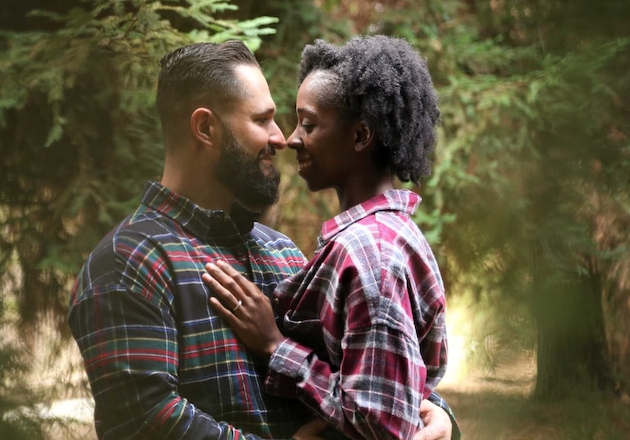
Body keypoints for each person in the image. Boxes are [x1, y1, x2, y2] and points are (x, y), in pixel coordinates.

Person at [67, 40, 454, 440]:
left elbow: (366, 369)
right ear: (205, 128)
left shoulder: (280, 253)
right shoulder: (127, 262)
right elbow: (143, 422)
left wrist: (437, 416)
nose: (280, 138)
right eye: (262, 120)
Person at [203, 36, 459, 440]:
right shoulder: (389, 236)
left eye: (309, 124)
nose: (291, 138)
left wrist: (274, 345)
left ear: (360, 136)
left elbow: (381, 423)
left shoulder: (369, 254)